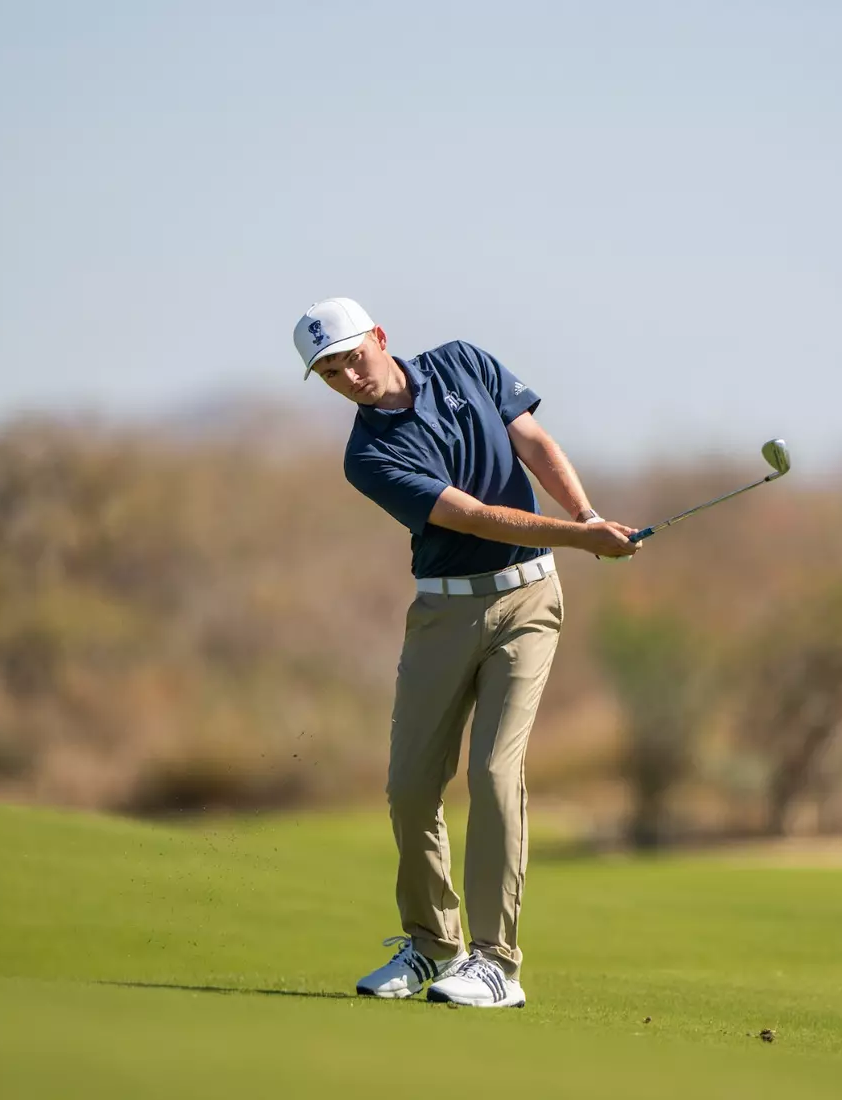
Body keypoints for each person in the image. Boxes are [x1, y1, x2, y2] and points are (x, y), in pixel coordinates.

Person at [291, 297, 638, 1008]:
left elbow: (534, 442)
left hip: (529, 603)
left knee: (493, 772)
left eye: (352, 355)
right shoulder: (370, 456)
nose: (348, 375)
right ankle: (430, 945)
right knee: (412, 787)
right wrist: (585, 541)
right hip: (444, 610)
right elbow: (473, 518)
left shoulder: (463, 362)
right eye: (329, 371)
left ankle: (495, 963)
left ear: (380, 338)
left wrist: (586, 514)